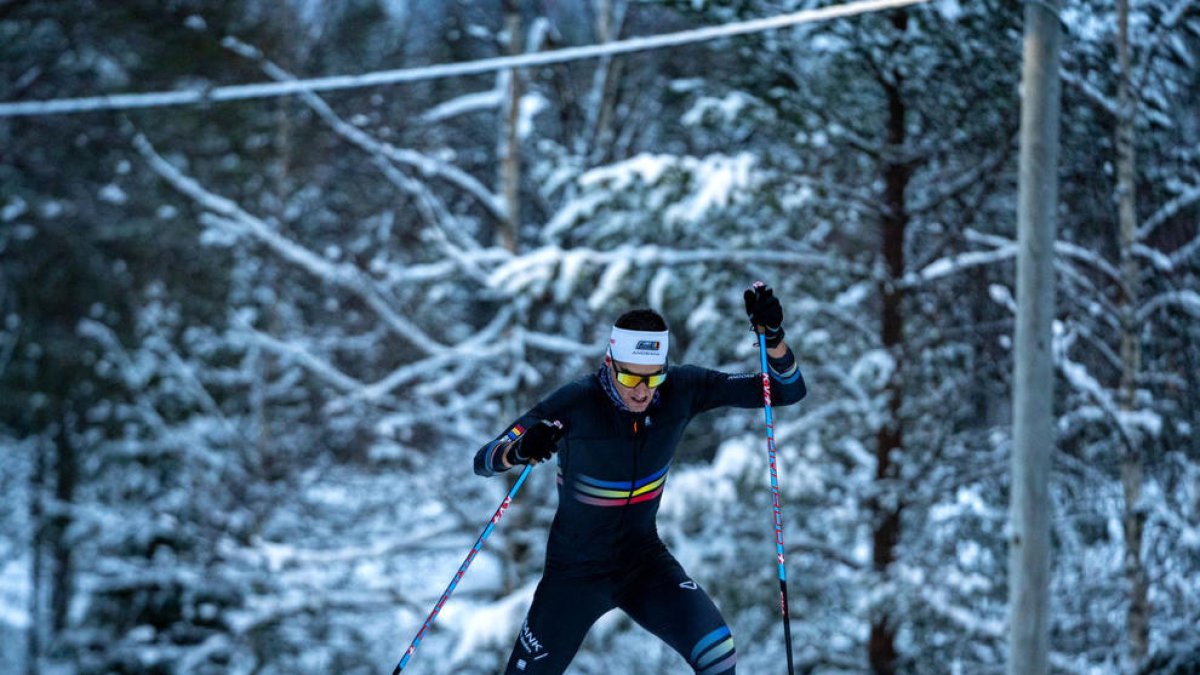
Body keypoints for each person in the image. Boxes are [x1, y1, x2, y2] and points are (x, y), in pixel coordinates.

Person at [473, 284, 806, 675]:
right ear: (610, 363)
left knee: (718, 653)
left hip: (644, 564)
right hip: (574, 574)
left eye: (654, 378)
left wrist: (775, 340)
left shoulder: (682, 389)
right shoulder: (576, 402)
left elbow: (786, 390)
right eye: (631, 379)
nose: (643, 392)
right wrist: (520, 448)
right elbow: (485, 459)